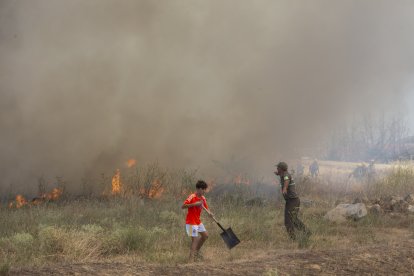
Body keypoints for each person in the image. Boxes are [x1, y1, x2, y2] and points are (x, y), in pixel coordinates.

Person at [274, 162, 310, 241]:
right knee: (292, 220)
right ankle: (305, 233)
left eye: (278, 168)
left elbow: (286, 180)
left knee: (289, 221)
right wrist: (278, 174)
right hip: (290, 201)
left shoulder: (286, 175)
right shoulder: (283, 174)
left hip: (293, 201)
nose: (277, 169)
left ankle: (295, 238)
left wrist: (285, 188)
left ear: (281, 169)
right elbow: (284, 177)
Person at [182, 180, 213, 262]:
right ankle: (190, 260)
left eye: (204, 189)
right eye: (203, 189)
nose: (204, 191)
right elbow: (183, 206)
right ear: (198, 189)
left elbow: (206, 208)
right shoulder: (192, 196)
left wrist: (210, 213)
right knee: (195, 240)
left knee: (205, 236)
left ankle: (196, 253)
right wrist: (195, 204)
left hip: (198, 222)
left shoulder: (203, 198)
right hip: (191, 222)